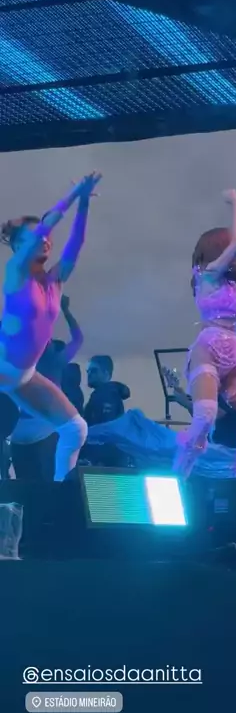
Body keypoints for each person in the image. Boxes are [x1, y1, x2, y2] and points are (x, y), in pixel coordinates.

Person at [0, 172, 101, 481]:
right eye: (33, 238)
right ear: (18, 247)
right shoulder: (16, 272)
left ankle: (60, 494)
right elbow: (45, 226)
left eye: (45, 238)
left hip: (24, 375)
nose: (43, 240)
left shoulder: (55, 279)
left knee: (75, 429)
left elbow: (77, 243)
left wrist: (83, 203)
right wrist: (72, 195)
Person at [173, 189, 236, 478]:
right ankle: (179, 475)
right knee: (205, 416)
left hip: (234, 354)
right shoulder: (206, 275)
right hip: (208, 349)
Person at [8, 294, 85, 480]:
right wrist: (66, 310)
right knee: (49, 485)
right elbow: (78, 339)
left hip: (19, 433)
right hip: (43, 431)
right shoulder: (55, 361)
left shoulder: (16, 362)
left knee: (24, 486)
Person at [84, 355, 130, 427]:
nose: (89, 374)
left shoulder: (107, 395)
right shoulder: (106, 394)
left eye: (93, 371)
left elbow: (106, 428)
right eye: (88, 371)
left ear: (106, 374)